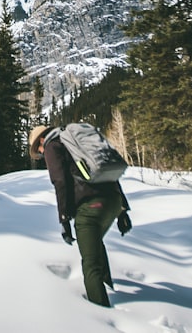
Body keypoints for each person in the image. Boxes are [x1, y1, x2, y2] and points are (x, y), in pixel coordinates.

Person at [29, 124, 132, 307]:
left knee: (90, 263)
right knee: (94, 242)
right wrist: (123, 210)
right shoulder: (74, 143)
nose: (41, 153)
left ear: (41, 140)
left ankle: (100, 312)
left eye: (38, 149)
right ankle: (108, 286)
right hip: (113, 200)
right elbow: (108, 175)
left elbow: (60, 181)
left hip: (91, 205)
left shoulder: (53, 146)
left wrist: (64, 219)